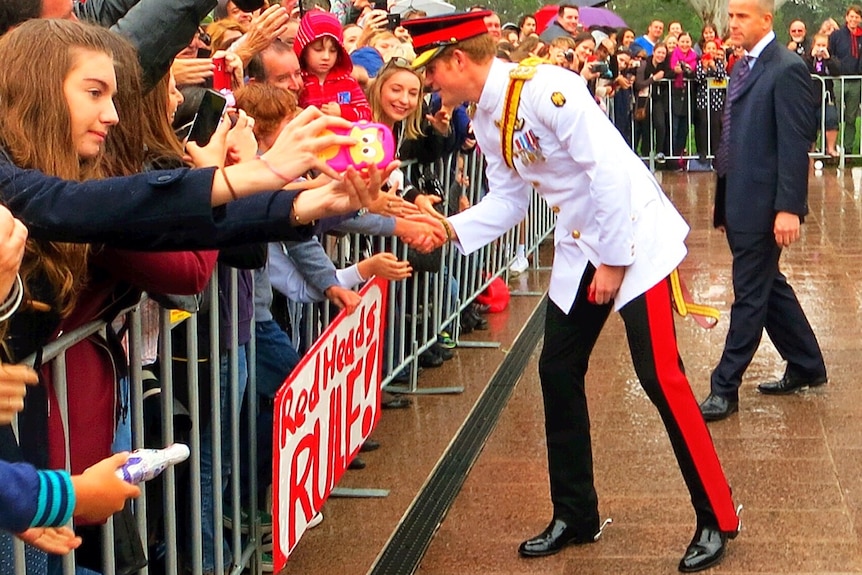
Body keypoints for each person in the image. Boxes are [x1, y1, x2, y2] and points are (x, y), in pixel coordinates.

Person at [404, 11, 741, 573]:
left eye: (432, 73)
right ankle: (576, 514)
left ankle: (717, 514)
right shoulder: (487, 120)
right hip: (583, 242)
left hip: (632, 237)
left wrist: (613, 262)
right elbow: (511, 200)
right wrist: (448, 229)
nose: (431, 87)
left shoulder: (545, 89)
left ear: (457, 60)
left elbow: (608, 171)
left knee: (662, 376)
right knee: (557, 370)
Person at [698, 0, 826, 422]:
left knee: (751, 296)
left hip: (765, 206)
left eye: (742, 17)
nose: (732, 24)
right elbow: (734, 139)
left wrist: (789, 208)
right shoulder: (742, 67)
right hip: (739, 202)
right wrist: (723, 203)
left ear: (766, 20)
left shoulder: (786, 68)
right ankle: (807, 363)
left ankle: (724, 387)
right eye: (730, 17)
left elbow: (794, 143)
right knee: (769, 287)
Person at [294, 10, 371, 120]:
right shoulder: (298, 83)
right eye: (318, 49)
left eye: (333, 50)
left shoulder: (348, 82)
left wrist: (343, 112)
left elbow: (366, 114)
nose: (326, 56)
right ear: (303, 49)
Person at [829, 5, 862, 155]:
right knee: (834, 114)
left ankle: (848, 149)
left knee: (851, 116)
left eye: (857, 17)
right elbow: (831, 54)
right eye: (852, 16)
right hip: (839, 79)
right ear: (846, 17)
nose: (854, 19)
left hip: (855, 80)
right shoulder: (836, 35)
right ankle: (831, 148)